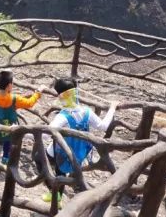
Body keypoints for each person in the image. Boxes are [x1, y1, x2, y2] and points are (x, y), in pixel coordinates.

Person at [40, 76, 117, 207]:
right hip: (79, 152)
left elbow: (45, 135)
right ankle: (56, 195)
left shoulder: (63, 116)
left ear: (61, 96)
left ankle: (55, 196)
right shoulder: (87, 112)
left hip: (61, 151)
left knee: (40, 160)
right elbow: (103, 126)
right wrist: (112, 108)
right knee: (61, 172)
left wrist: (21, 132)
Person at [0, 70, 41, 165]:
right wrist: (38, 93)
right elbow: (30, 103)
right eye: (12, 83)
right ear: (9, 86)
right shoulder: (15, 98)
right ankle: (6, 157)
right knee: (8, 139)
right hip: (10, 129)